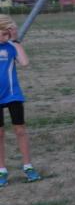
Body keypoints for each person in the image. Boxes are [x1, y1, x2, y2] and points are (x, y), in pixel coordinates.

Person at [0, 15, 42, 187]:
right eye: (4, 33)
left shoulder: (12, 46)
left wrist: (15, 40)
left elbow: (24, 62)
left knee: (20, 130)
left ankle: (28, 166)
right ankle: (2, 170)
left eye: (8, 33)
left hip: (13, 95)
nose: (6, 37)